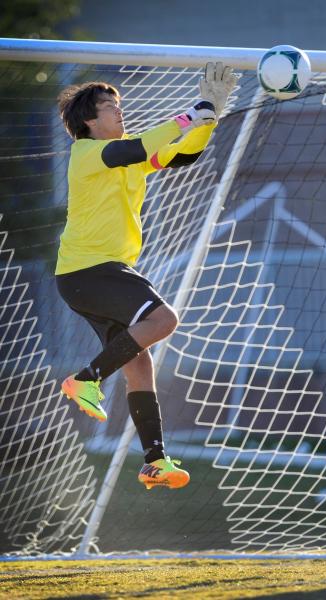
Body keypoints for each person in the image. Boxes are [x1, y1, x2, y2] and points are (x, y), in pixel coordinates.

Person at [56, 62, 238, 491]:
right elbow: (135, 149)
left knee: (139, 359)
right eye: (109, 106)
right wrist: (193, 112)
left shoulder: (128, 160)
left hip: (88, 276)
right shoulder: (87, 153)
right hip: (92, 270)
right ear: (88, 120)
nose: (120, 111)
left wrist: (211, 112)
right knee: (163, 321)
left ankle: (155, 462)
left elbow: (185, 152)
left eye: (119, 105)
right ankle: (85, 379)